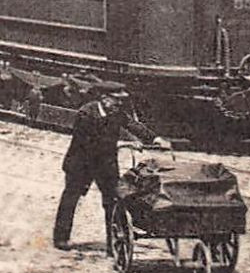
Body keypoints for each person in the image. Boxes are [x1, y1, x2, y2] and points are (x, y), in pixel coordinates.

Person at [52, 86, 167, 250]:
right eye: (117, 99)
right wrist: (123, 143)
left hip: (105, 164)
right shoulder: (85, 114)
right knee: (71, 198)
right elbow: (89, 142)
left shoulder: (116, 113)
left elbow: (132, 125)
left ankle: (113, 241)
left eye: (121, 100)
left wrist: (154, 138)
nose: (120, 103)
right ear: (104, 98)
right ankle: (61, 238)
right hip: (81, 163)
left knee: (113, 200)